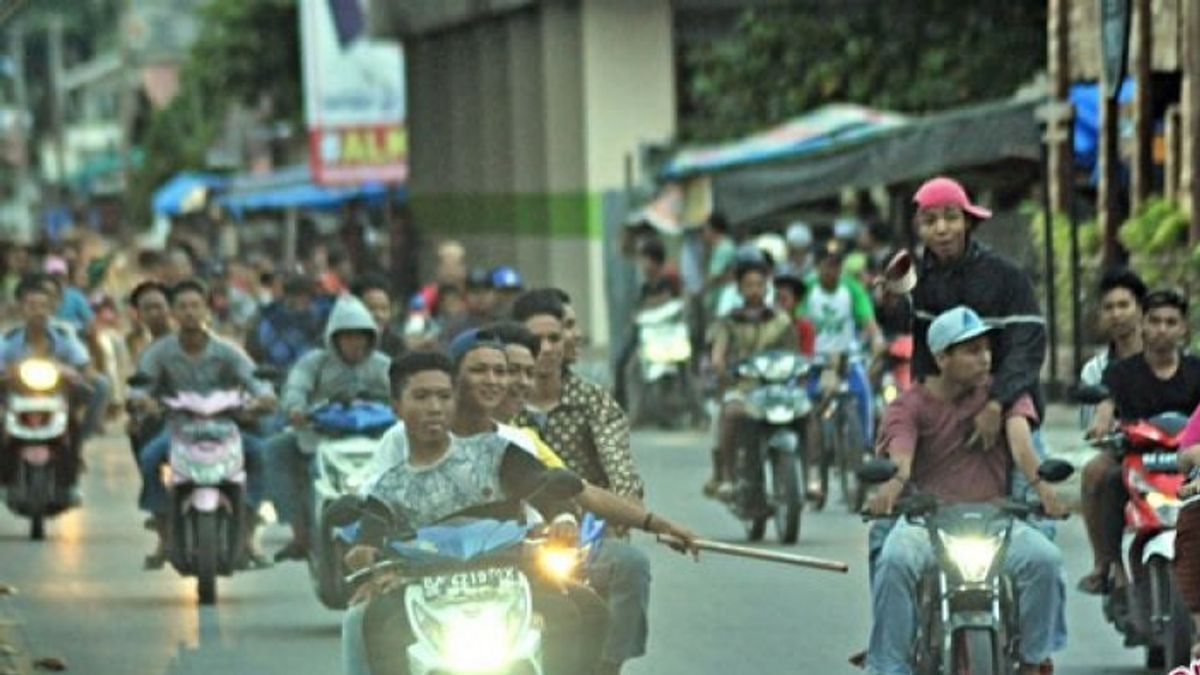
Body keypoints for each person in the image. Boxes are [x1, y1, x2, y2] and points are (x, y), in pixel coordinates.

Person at [343, 352, 697, 675]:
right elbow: (369, 533)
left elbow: (554, 489)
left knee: (586, 609)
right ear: (396, 407)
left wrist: (568, 520)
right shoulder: (388, 487)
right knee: (365, 621)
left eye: (443, 396)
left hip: (514, 582)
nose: (434, 407)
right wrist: (363, 553)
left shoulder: (496, 454)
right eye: (421, 397)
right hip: (423, 595)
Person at [866, 306, 1067, 675]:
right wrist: (891, 489)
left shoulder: (1005, 397)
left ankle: (1035, 660)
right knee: (893, 561)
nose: (986, 359)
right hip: (925, 525)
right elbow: (901, 459)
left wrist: (1044, 489)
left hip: (997, 523)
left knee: (1046, 560)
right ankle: (889, 667)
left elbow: (1023, 446)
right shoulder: (907, 406)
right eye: (972, 351)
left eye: (987, 349)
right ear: (942, 358)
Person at [511, 290, 659, 675]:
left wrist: (628, 510)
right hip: (512, 543)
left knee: (631, 565)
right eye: (533, 342)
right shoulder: (499, 404)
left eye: (554, 339)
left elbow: (620, 468)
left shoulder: (595, 401)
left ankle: (607, 666)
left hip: (589, 539)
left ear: (566, 343)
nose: (545, 350)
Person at [903, 176, 1048, 493]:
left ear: (968, 222)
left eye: (951, 217)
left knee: (1033, 507)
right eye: (930, 221)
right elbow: (917, 349)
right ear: (919, 229)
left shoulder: (1006, 276)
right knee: (900, 513)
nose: (941, 229)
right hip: (943, 415)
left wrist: (996, 404)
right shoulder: (917, 280)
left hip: (1011, 410)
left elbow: (1028, 347)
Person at [130, 279, 277, 569]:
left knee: (261, 454)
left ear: (207, 311)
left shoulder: (227, 351)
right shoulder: (160, 351)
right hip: (177, 428)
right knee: (149, 458)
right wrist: (141, 400)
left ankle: (247, 531)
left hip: (227, 428)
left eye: (196, 305)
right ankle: (164, 532)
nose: (189, 312)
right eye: (182, 306)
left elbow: (257, 382)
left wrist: (264, 399)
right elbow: (140, 387)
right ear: (173, 313)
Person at [1083, 289, 1200, 594]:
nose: (1162, 329)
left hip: (1189, 462)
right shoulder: (1121, 372)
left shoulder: (1197, 370)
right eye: (1155, 321)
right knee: (1108, 480)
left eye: (1171, 322)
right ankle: (1113, 567)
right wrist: (1101, 425)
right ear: (1143, 325)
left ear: (1183, 328)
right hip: (1135, 459)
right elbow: (1105, 406)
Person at [267, 296, 392, 562]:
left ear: (371, 337)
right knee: (275, 450)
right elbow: (296, 387)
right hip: (320, 437)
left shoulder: (383, 365)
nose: (354, 343)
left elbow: (403, 391)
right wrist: (295, 408)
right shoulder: (315, 362)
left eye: (361, 336)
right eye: (347, 336)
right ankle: (299, 531)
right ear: (333, 338)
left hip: (377, 438)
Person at [0, 274, 105, 498]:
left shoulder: (65, 338)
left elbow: (84, 365)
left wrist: (76, 374)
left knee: (73, 424)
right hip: (15, 399)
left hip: (57, 400)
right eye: (31, 306)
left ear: (52, 309)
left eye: (43, 306)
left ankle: (71, 476)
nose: (37, 311)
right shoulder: (8, 340)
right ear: (21, 309)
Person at [1074, 268, 1146, 593]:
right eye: (1109, 307)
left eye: (1124, 305)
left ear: (1140, 308)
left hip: (1174, 453)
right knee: (1094, 473)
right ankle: (1104, 562)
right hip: (1124, 453)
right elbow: (1093, 429)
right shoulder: (1095, 370)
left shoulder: (1169, 356)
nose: (1117, 314)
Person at [707, 255, 799, 499]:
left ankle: (812, 476)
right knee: (729, 414)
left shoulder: (780, 320)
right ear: (739, 288)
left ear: (766, 287)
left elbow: (794, 355)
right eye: (749, 285)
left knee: (808, 412)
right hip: (742, 388)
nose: (755, 290)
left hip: (776, 388)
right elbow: (718, 355)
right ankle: (726, 476)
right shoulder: (729, 322)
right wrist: (722, 370)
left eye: (759, 284)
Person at [799, 241, 884, 489]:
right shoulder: (807, 289)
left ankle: (866, 449)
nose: (832, 271)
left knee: (864, 395)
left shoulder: (852, 289)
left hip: (847, 358)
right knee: (808, 410)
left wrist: (876, 339)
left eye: (836, 266)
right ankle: (813, 469)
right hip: (815, 362)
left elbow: (868, 320)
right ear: (817, 267)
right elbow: (797, 323)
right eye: (826, 266)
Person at [245, 273, 325, 373]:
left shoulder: (316, 320)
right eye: (308, 297)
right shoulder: (270, 320)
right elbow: (268, 352)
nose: (310, 304)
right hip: (275, 376)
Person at [350, 274, 407, 360]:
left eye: (384, 309)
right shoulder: (343, 345)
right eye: (371, 308)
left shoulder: (397, 347)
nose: (379, 315)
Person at [438, 267, 496, 346]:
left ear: (494, 294)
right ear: (465, 296)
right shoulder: (453, 327)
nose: (481, 297)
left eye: (486, 291)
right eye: (475, 292)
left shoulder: (502, 326)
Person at [773, 273, 815, 357]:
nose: (779, 303)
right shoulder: (767, 322)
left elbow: (806, 356)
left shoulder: (804, 326)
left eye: (784, 299)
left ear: (797, 301)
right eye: (777, 298)